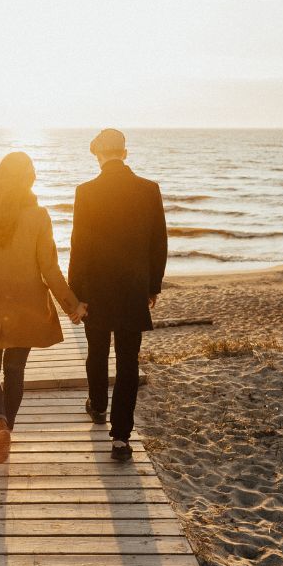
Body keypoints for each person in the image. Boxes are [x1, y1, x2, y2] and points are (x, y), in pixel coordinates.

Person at [0, 151, 86, 464]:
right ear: (29, 180)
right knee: (15, 371)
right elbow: (50, 270)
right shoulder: (39, 216)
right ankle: (6, 428)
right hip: (26, 305)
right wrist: (72, 305)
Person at [68, 129, 167, 461]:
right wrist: (152, 286)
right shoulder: (148, 190)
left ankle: (97, 406)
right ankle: (121, 437)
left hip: (95, 289)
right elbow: (158, 243)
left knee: (97, 351)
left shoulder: (86, 192)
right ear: (124, 153)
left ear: (98, 155)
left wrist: (76, 294)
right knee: (127, 362)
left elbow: (78, 248)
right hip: (132, 289)